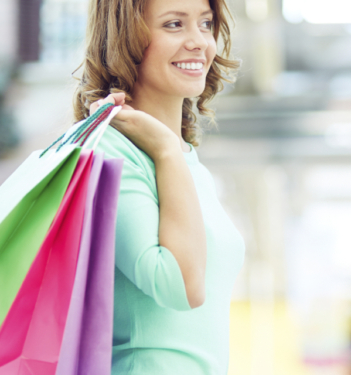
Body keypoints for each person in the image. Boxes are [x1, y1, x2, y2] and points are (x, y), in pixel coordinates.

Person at [71, 0, 245, 373]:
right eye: (174, 24)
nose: (199, 41)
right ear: (126, 39)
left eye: (206, 23)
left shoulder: (187, 161)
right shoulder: (110, 152)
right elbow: (180, 286)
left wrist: (172, 151)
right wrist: (166, 148)